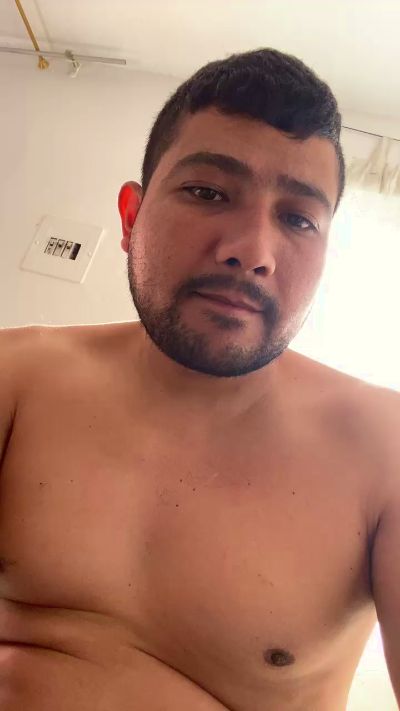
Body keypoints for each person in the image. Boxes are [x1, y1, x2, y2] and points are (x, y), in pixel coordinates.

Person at [0, 47, 399, 711]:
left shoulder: (385, 447)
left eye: (298, 218)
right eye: (208, 192)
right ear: (131, 218)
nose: (252, 251)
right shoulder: (16, 377)